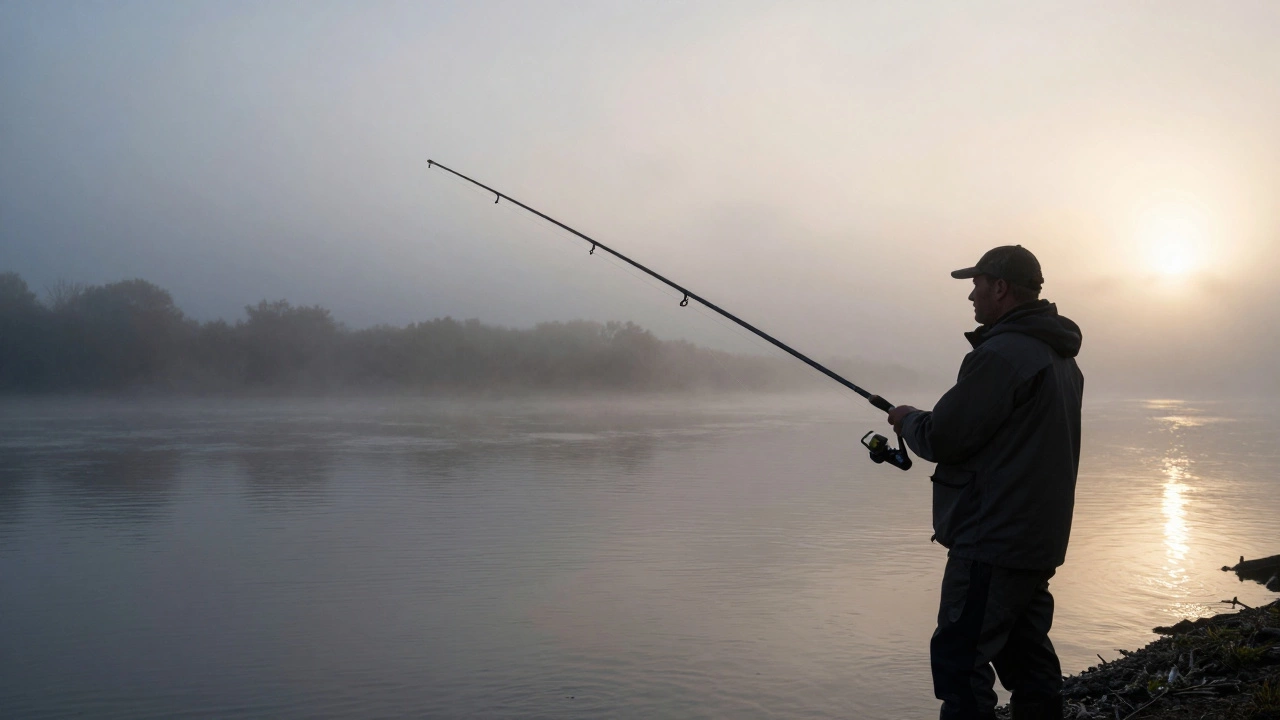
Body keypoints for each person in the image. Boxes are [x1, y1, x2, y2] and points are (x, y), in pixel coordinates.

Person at [884, 245, 1083, 720]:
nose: (971, 296)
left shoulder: (1002, 354)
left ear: (1000, 287)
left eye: (976, 285)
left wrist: (908, 419)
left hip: (992, 538)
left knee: (960, 660)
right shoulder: (1060, 357)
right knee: (1026, 655)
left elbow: (943, 437)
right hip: (1035, 538)